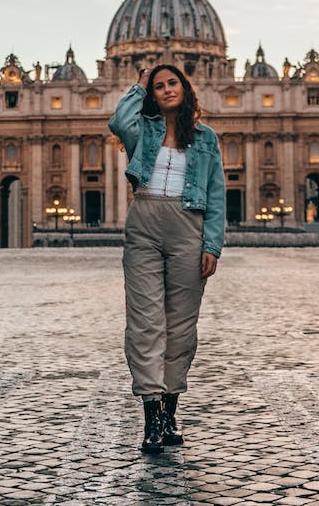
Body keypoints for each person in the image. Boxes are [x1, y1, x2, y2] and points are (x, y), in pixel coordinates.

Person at [107, 64, 226, 454]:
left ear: (185, 87)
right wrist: (139, 86)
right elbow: (118, 119)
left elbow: (216, 195)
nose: (166, 89)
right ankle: (151, 418)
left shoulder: (206, 138)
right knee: (144, 322)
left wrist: (212, 245)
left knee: (180, 326)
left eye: (172, 82)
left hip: (187, 226)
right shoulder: (142, 130)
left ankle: (170, 407)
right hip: (144, 221)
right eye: (158, 86)